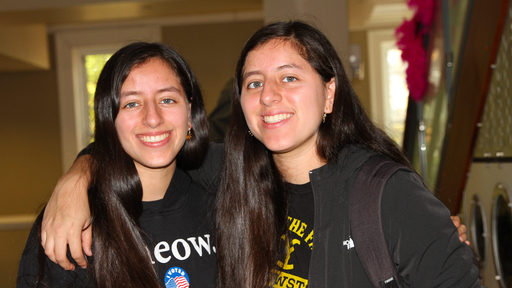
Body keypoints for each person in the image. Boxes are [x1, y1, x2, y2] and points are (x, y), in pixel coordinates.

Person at [39, 22, 474, 287]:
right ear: (242, 107)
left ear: (329, 93)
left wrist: (429, 226)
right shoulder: (231, 178)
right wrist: (79, 176)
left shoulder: (383, 193)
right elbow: (148, 141)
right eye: (253, 83)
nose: (269, 96)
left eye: (288, 77)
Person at [17, 42, 216, 288]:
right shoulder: (71, 222)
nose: (152, 118)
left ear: (189, 112)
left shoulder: (223, 204)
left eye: (167, 99)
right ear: (109, 120)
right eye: (131, 103)